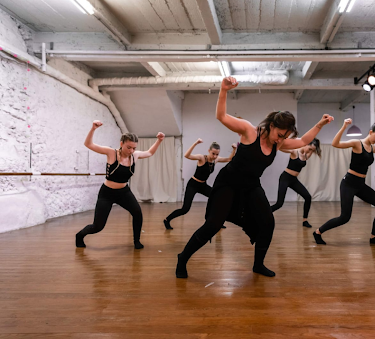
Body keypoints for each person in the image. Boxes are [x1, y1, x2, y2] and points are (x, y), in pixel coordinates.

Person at [176, 76, 333, 278]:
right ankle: (183, 258)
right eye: (280, 134)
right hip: (228, 183)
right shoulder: (250, 131)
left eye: (285, 137)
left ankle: (258, 264)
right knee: (213, 225)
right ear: (271, 125)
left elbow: (303, 140)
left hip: (251, 186)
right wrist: (224, 90)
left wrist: (320, 124)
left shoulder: (280, 143)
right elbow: (221, 116)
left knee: (268, 222)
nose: (282, 139)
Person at [75, 120, 165, 249]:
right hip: (107, 193)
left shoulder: (135, 156)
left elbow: (150, 152)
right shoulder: (111, 153)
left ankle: (136, 241)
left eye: (134, 148)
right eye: (129, 147)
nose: (131, 150)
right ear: (121, 144)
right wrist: (93, 129)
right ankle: (80, 235)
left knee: (137, 213)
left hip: (124, 192)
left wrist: (159, 140)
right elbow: (88, 144)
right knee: (98, 226)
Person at [313, 118, 375, 246]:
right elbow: (335, 144)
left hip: (360, 185)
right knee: (345, 217)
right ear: (370, 132)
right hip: (348, 183)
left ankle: (374, 237)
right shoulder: (357, 143)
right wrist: (344, 126)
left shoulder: (372, 148)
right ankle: (318, 232)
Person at [163, 139, 236, 229]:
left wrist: (234, 149)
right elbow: (187, 155)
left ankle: (217, 222)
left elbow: (229, 159)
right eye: (213, 153)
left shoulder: (215, 160)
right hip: (193, 185)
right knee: (185, 209)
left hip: (203, 186)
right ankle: (167, 219)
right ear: (209, 151)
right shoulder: (202, 158)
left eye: (217, 154)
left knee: (218, 199)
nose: (215, 156)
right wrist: (195, 143)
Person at [270, 139, 322, 228]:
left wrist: (314, 148)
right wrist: (276, 143)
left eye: (312, 150)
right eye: (310, 149)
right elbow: (282, 148)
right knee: (279, 203)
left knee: (308, 197)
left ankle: (305, 221)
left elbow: (313, 149)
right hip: (285, 178)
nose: (310, 152)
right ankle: (262, 214)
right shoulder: (294, 152)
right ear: (306, 144)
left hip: (294, 180)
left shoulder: (307, 154)